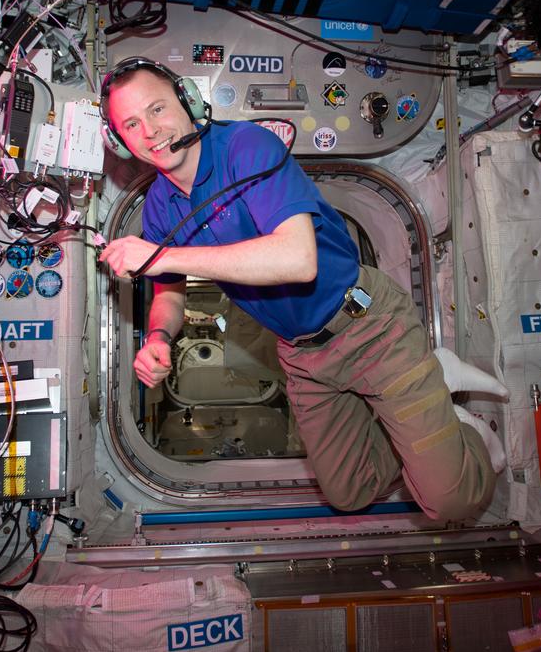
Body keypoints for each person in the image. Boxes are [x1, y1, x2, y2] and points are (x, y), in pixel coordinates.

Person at [97, 57, 497, 522]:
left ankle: (460, 429)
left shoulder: (246, 147)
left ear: (188, 101)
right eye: (130, 123)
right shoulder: (159, 208)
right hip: (304, 356)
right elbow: (169, 292)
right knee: (350, 492)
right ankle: (420, 420)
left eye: (157, 109)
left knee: (451, 502)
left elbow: (297, 260)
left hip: (369, 326)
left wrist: (158, 256)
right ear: (119, 142)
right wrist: (158, 338)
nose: (150, 130)